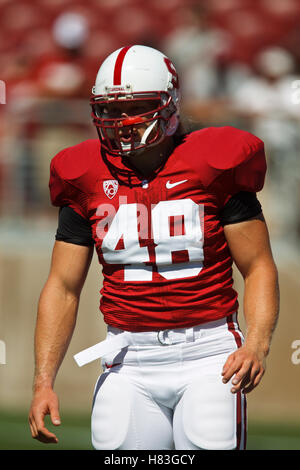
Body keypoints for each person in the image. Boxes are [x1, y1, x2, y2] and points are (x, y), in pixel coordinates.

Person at [28, 45, 279, 450]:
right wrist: (43, 380)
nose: (121, 123)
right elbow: (62, 285)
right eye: (110, 110)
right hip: (128, 357)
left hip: (209, 354)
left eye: (136, 107)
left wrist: (257, 343)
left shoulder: (213, 162)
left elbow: (258, 266)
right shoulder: (84, 172)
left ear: (169, 103)